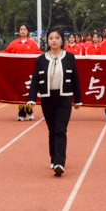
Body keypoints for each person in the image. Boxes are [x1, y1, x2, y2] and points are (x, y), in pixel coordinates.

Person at [27, 27, 82, 177]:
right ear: (47, 40)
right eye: (51, 38)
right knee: (52, 129)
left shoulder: (69, 58)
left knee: (60, 130)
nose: (54, 41)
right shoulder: (41, 59)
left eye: (57, 38)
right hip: (47, 98)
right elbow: (35, 80)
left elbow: (75, 79)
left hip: (64, 98)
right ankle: (54, 158)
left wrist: (78, 99)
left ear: (62, 40)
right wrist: (32, 98)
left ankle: (59, 163)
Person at [5, 23, 42, 121]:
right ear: (19, 31)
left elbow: (39, 54)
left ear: (28, 31)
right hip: (18, 73)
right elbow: (6, 53)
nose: (22, 31)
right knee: (19, 93)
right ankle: (21, 113)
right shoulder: (14, 43)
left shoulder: (33, 43)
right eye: (21, 29)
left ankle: (29, 111)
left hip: (29, 72)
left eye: (24, 29)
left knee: (29, 92)